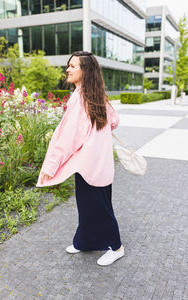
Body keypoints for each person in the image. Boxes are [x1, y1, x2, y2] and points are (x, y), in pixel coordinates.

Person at [36, 51, 125, 266]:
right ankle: (84, 241)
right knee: (89, 205)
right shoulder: (96, 95)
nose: (68, 69)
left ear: (85, 71)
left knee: (99, 207)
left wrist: (51, 165)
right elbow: (114, 121)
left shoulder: (81, 98)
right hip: (97, 164)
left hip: (89, 164)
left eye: (73, 66)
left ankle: (116, 247)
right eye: (69, 65)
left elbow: (69, 137)